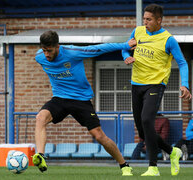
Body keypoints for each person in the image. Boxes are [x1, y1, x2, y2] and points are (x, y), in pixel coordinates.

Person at [32, 30, 136, 176]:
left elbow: (99, 48)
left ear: (57, 46)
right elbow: (42, 55)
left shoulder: (72, 52)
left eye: (49, 51)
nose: (46, 54)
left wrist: (125, 45)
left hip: (81, 99)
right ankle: (41, 156)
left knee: (99, 135)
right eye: (44, 50)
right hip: (60, 98)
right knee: (40, 118)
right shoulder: (39, 57)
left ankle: (124, 165)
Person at [122, 4, 192, 176]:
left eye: (149, 19)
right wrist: (127, 57)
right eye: (144, 19)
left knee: (147, 121)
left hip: (155, 84)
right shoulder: (137, 32)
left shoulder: (169, 39)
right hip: (136, 84)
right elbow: (125, 48)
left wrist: (185, 85)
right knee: (143, 130)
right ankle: (173, 151)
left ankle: (153, 167)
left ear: (159, 20)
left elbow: (182, 62)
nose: (145, 22)